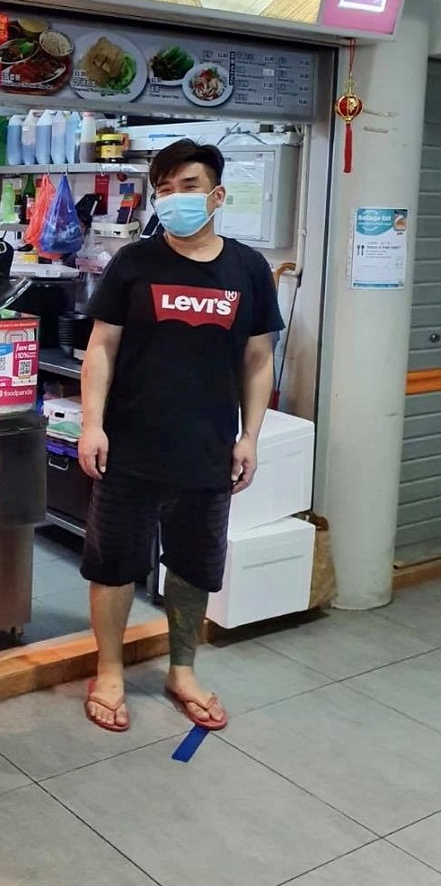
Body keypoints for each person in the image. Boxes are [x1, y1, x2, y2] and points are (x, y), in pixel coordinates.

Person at [78, 139, 283, 734]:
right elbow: (101, 349)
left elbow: (258, 360)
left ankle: (182, 668)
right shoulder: (134, 264)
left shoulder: (247, 268)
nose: (174, 198)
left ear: (217, 195)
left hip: (208, 449)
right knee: (113, 563)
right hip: (129, 445)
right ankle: (110, 670)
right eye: (163, 189)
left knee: (195, 563)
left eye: (187, 186)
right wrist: (92, 423)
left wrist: (250, 436)